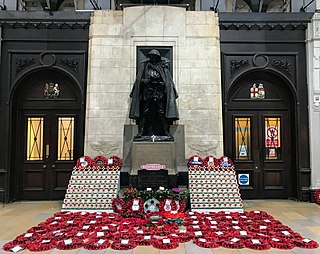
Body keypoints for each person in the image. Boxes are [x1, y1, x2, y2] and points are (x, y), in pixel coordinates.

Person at [129, 49, 179, 140]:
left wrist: (161, 83)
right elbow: (139, 80)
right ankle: (141, 132)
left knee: (161, 112)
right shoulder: (145, 66)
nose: (153, 58)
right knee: (144, 112)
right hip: (147, 93)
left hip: (159, 93)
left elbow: (167, 81)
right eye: (151, 56)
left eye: (155, 56)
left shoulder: (163, 67)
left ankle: (166, 132)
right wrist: (144, 81)